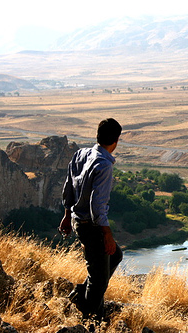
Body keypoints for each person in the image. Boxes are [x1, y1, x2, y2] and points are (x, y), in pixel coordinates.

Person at [59, 118, 123, 321]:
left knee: (114, 257)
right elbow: (98, 206)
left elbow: (68, 186)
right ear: (116, 141)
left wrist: (67, 215)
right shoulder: (104, 165)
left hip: (79, 222)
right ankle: (89, 318)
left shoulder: (81, 154)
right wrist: (107, 234)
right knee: (99, 280)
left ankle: (81, 296)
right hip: (92, 226)